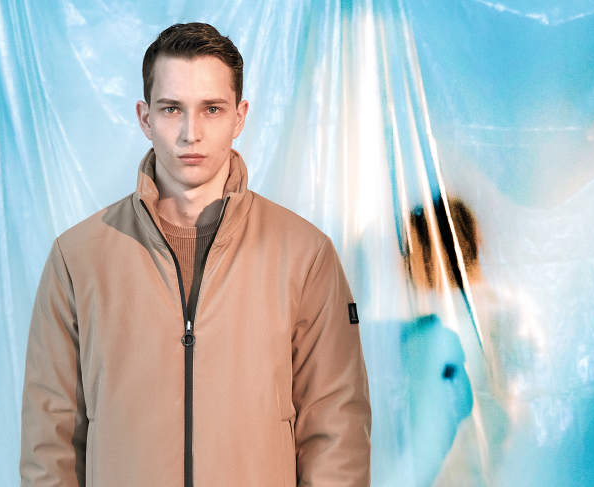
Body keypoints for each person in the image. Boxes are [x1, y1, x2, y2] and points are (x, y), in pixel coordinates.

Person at [20, 22, 371, 487]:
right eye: (172, 109)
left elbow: (336, 430)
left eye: (212, 109)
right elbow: (50, 439)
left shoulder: (305, 255)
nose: (191, 133)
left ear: (239, 117)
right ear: (144, 118)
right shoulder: (78, 259)